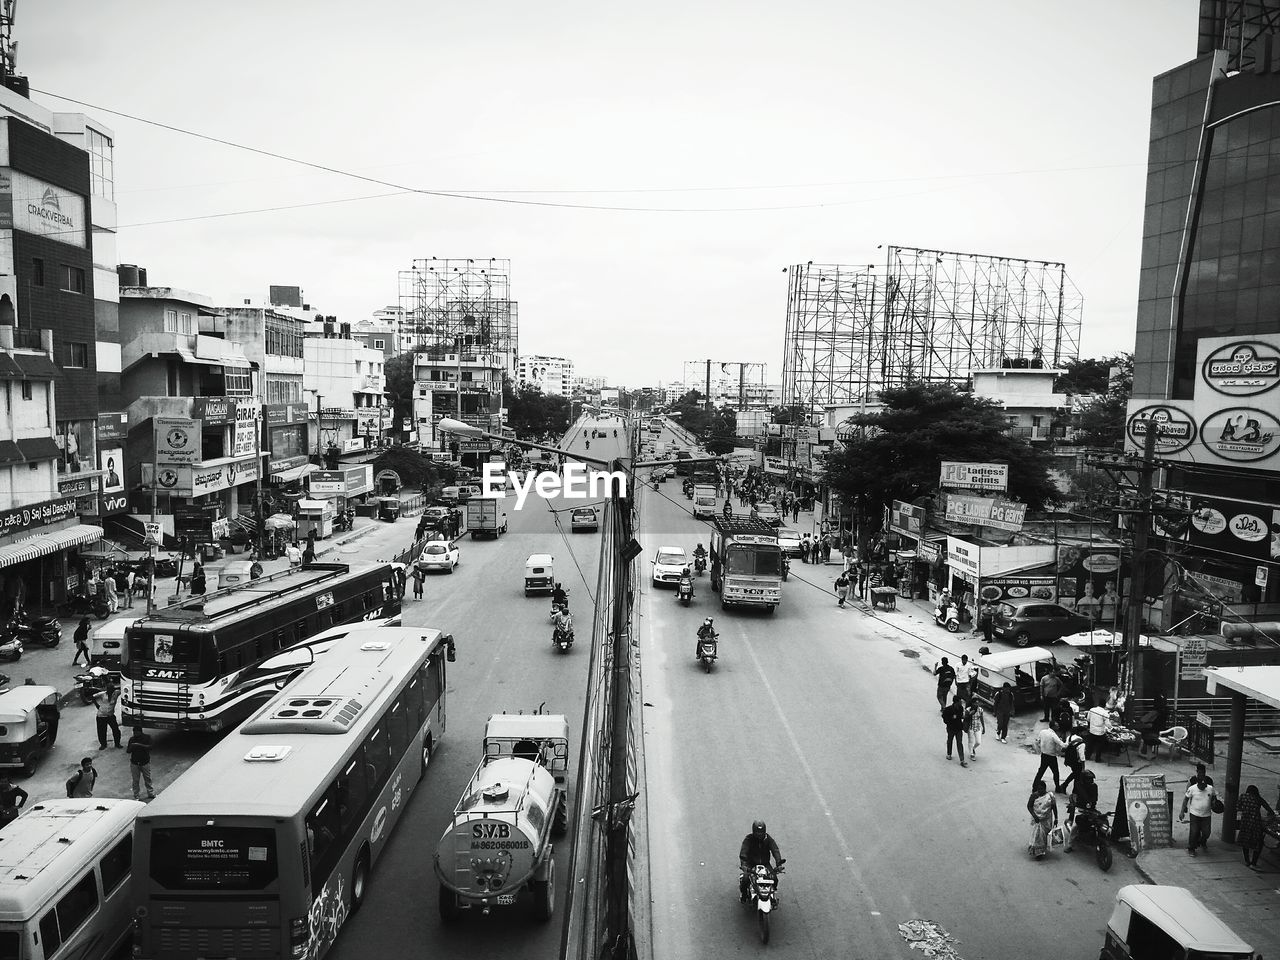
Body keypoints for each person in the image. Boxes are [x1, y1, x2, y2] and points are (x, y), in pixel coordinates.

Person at [738, 820, 784, 903]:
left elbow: (775, 850)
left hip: (765, 863)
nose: (759, 834)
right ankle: (744, 896)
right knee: (745, 879)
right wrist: (744, 864)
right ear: (753, 831)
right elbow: (744, 852)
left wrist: (779, 863)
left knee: (775, 879)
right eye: (757, 832)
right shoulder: (749, 839)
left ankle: (772, 895)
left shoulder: (768, 839)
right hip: (751, 863)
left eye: (761, 832)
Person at [1180, 766, 1219, 856]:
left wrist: (1214, 804)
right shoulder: (1192, 784)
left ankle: (1202, 841)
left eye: (1203, 772)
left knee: (1206, 832)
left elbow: (1213, 797)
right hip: (1195, 813)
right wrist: (1183, 810)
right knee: (1194, 831)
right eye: (1200, 772)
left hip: (1206, 814)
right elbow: (1186, 796)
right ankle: (1191, 848)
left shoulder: (1210, 785)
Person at [1236, 784, 1276, 870]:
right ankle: (1253, 862)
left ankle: (1247, 861)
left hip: (1245, 822)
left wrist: (1246, 810)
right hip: (1255, 823)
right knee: (1259, 843)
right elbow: (1270, 811)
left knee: (1245, 841)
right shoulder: (1258, 798)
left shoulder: (1242, 796)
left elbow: (1237, 807)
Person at [1027, 779, 1058, 860]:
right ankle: (1038, 853)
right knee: (1037, 836)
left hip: (1047, 820)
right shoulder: (1034, 796)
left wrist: (1056, 818)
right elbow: (1029, 806)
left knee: (1044, 836)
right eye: (1038, 789)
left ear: (1045, 789)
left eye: (1042, 789)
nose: (1040, 791)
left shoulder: (1050, 796)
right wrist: (1035, 816)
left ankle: (1042, 849)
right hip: (1037, 820)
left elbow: (1054, 807)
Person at [126, 725, 156, 802]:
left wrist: (139, 745)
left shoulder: (147, 738)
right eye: (134, 732)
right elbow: (128, 751)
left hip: (145, 762)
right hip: (135, 762)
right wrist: (132, 746)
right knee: (135, 780)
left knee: (147, 778)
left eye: (136, 732)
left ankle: (151, 793)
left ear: (140, 732)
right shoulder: (132, 739)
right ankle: (136, 795)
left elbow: (151, 747)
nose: (135, 734)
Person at [1033, 724, 1065, 792]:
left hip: (1044, 755)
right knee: (1056, 772)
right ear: (1053, 727)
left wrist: (1040, 749)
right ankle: (1057, 787)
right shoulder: (1053, 735)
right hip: (1051, 756)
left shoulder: (1042, 732)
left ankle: (1034, 787)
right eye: (1057, 725)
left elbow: (1037, 741)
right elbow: (1062, 745)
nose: (1058, 726)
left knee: (1041, 771)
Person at [93, 683, 122, 750]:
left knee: (116, 730)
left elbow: (122, 688)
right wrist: (97, 705)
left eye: (111, 689)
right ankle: (103, 744)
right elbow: (93, 697)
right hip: (101, 716)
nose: (110, 691)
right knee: (102, 731)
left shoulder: (116, 693)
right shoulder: (102, 694)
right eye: (109, 689)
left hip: (110, 715)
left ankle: (117, 743)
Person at [943, 694, 967, 767]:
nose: (961, 703)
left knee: (959, 743)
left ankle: (962, 759)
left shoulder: (961, 708)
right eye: (960, 702)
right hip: (951, 728)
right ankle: (949, 754)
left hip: (959, 728)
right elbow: (945, 719)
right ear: (956, 702)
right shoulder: (948, 709)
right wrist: (951, 718)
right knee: (950, 740)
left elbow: (961, 716)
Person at [963, 697, 985, 763]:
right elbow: (964, 718)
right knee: (971, 741)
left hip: (978, 727)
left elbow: (981, 718)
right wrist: (970, 714)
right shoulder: (968, 709)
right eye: (975, 703)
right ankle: (972, 754)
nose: (977, 704)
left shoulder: (980, 710)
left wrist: (983, 727)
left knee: (978, 742)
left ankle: (973, 749)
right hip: (970, 727)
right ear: (972, 703)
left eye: (977, 703)